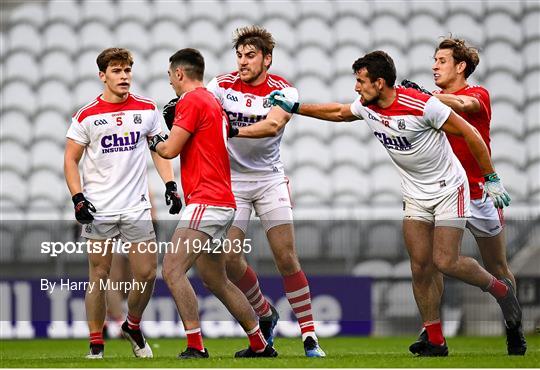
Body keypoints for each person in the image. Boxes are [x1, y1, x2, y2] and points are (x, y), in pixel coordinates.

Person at [269, 50, 522, 357]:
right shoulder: (366, 106)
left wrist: (491, 177)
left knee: (445, 261)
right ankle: (435, 339)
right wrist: (295, 107)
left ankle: (501, 291)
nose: (356, 88)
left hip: (448, 189)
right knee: (420, 266)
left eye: (360, 81)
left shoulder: (422, 104)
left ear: (379, 82)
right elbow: (337, 112)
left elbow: (470, 132)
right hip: (415, 193)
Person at [203, 25, 325, 357]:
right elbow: (204, 115)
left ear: (267, 59)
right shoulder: (221, 85)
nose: (242, 61)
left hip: (270, 180)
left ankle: (309, 336)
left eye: (250, 55)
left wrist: (233, 128)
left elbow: (273, 124)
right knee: (229, 259)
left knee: (286, 258)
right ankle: (265, 312)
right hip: (234, 184)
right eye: (239, 55)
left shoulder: (284, 89)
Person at [149, 48, 277, 359]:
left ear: (179, 73)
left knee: (172, 269)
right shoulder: (212, 102)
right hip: (223, 200)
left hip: (206, 200)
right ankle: (259, 343)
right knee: (216, 279)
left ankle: (195, 345)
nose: (170, 83)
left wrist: (153, 138)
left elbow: (169, 151)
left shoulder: (191, 101)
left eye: (170, 77)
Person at [403, 37, 527, 356]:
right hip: (444, 192)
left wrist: (426, 97)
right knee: (431, 263)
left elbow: (463, 106)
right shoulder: (431, 104)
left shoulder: (477, 94)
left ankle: (513, 328)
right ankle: (432, 332)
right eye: (434, 60)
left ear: (461, 67)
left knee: (497, 266)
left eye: (441, 61)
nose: (434, 65)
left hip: (479, 194)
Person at [64, 48, 182, 359]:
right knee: (99, 275)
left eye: (127, 70)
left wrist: (170, 184)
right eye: (117, 71)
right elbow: (70, 160)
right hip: (99, 209)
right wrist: (78, 198)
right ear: (102, 76)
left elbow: (160, 150)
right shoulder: (86, 115)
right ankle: (96, 344)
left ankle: (132, 324)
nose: (124, 76)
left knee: (146, 273)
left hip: (136, 208)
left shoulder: (147, 109)